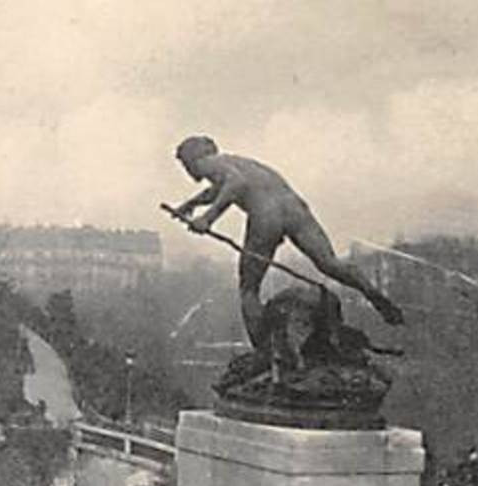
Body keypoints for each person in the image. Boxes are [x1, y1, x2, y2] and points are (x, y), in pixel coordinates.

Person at [171, 136, 404, 349]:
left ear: (193, 157)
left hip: (266, 215)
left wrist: (208, 219)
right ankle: (371, 292)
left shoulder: (208, 162)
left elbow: (235, 184)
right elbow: (222, 187)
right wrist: (192, 203)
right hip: (294, 209)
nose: (188, 170)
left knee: (249, 289)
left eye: (185, 164)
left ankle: (261, 350)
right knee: (329, 263)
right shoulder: (240, 162)